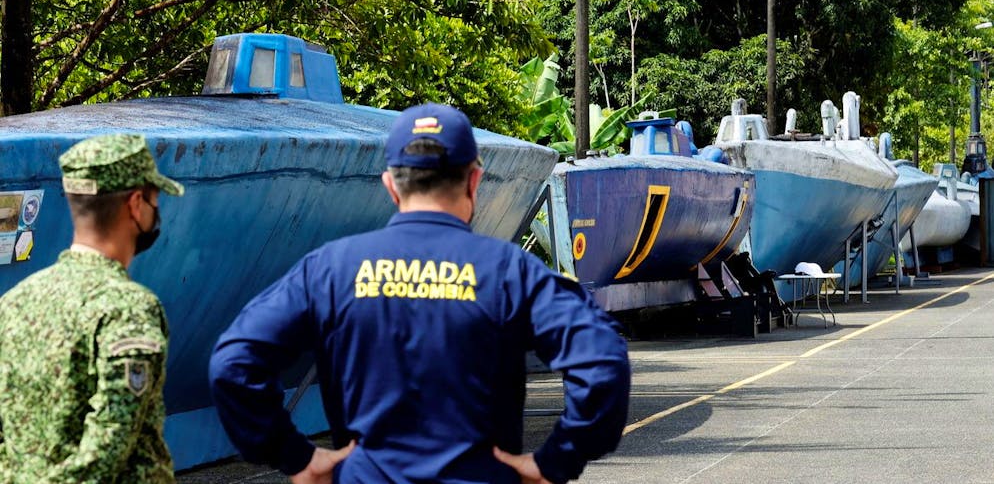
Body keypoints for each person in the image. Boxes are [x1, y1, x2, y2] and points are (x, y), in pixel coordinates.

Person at [209, 103, 631, 484]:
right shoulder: (510, 272)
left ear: (391, 185)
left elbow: (234, 363)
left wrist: (296, 457)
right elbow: (602, 361)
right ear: (474, 180)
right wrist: (555, 461)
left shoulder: (330, 270)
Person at [0, 133, 183, 483]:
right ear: (136, 204)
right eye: (154, 199)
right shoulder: (128, 310)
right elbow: (110, 443)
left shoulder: (13, 303)